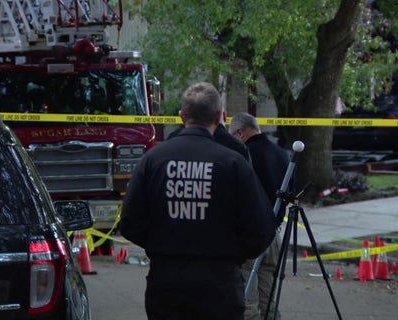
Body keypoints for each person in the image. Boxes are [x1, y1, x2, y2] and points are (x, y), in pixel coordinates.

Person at [119, 82, 277, 320]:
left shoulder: (153, 160)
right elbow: (262, 228)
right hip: (220, 283)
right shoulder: (233, 163)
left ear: (182, 116)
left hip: (166, 283)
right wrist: (234, 256)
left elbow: (130, 223)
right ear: (219, 116)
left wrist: (161, 248)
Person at [229, 112, 290, 320]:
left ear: (240, 132)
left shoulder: (243, 155)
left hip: (249, 237)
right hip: (273, 235)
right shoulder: (282, 154)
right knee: (268, 298)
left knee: (247, 301)